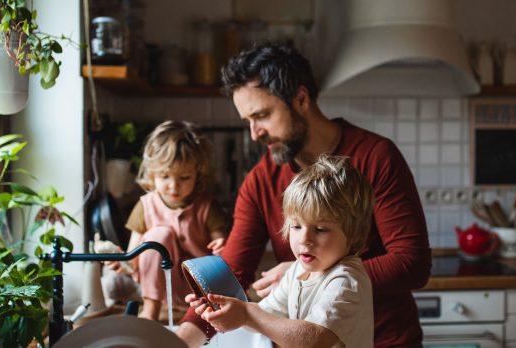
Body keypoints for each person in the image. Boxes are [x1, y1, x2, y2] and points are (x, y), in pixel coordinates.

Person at [176, 42, 431, 347]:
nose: (255, 133)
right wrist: (181, 340)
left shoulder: (376, 157)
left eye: (263, 115)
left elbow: (412, 263)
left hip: (387, 341)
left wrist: (313, 272)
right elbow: (231, 272)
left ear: (300, 99)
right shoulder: (261, 180)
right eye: (249, 121)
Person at [190, 155, 374, 347]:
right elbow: (265, 317)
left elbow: (313, 340)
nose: (304, 239)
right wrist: (229, 310)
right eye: (296, 226)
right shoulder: (298, 271)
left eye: (320, 229)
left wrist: (247, 315)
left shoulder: (346, 281)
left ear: (354, 233)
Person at [107, 120, 229, 321]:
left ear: (198, 174)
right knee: (158, 236)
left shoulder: (207, 206)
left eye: (184, 177)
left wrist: (222, 247)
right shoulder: (145, 205)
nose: (173, 186)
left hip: (200, 287)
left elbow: (224, 247)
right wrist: (122, 261)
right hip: (160, 289)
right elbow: (133, 257)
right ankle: (150, 311)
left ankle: (198, 313)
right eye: (164, 176)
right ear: (152, 174)